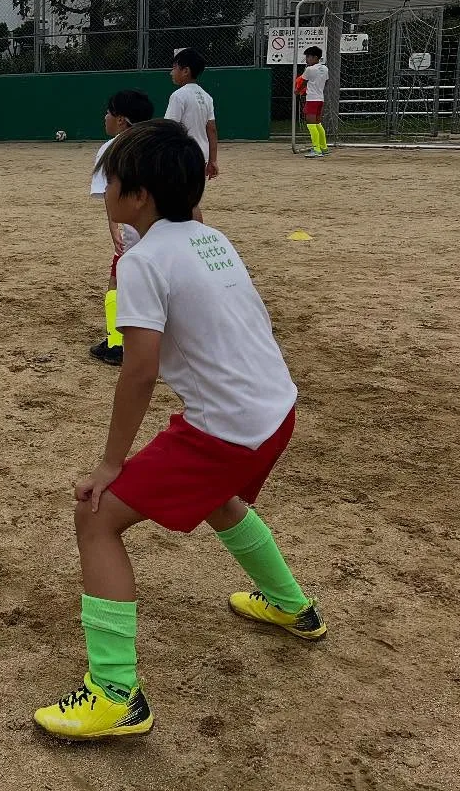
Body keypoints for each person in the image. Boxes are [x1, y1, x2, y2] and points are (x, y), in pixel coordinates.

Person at [33, 119, 323, 742]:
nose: (102, 191)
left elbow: (138, 370)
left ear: (138, 196)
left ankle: (115, 695)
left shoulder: (142, 260)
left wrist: (111, 463)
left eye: (109, 180)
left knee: (97, 515)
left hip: (227, 427)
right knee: (220, 498)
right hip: (276, 411)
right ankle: (292, 605)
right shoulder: (212, 237)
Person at [89, 89, 155, 367]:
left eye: (109, 112)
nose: (105, 117)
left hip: (134, 228)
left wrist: (113, 226)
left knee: (118, 280)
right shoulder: (156, 142)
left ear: (120, 120)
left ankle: (117, 343)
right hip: (165, 226)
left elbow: (107, 192)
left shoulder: (112, 148)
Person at [165, 48, 218, 222]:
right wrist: (212, 160)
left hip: (182, 155)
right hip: (200, 154)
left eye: (174, 68)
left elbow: (169, 128)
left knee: (183, 200)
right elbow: (212, 129)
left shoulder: (178, 96)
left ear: (185, 71)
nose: (171, 72)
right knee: (190, 199)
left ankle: (192, 234)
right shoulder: (207, 97)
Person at [296, 46, 330, 158]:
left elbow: (303, 82)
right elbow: (326, 82)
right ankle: (324, 147)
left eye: (308, 57)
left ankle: (316, 149)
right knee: (318, 124)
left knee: (311, 124)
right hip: (320, 98)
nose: (307, 59)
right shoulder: (325, 69)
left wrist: (297, 90)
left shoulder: (310, 69)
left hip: (311, 99)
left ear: (315, 57)